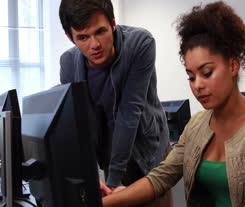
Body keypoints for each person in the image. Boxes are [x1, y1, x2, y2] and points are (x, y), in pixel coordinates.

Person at [103, 1, 245, 207]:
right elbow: (160, 178)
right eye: (191, 76)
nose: (198, 85)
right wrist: (102, 203)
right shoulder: (197, 125)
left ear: (233, 65)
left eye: (207, 73)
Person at [58, 0, 169, 190]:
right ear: (70, 37)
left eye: (101, 31)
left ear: (113, 23)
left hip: (149, 151)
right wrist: (90, 176)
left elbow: (130, 112)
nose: (95, 45)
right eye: (83, 37)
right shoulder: (68, 63)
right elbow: (79, 125)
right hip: (111, 153)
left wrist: (113, 180)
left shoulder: (140, 43)